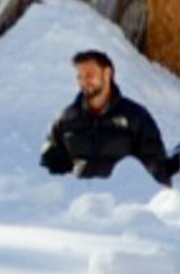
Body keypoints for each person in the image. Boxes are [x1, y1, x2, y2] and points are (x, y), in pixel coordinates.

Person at [41, 47, 170, 185]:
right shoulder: (66, 120)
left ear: (107, 73)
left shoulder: (136, 118)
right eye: (80, 76)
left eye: (89, 75)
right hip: (80, 203)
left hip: (124, 202)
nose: (84, 82)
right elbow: (48, 170)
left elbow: (156, 170)